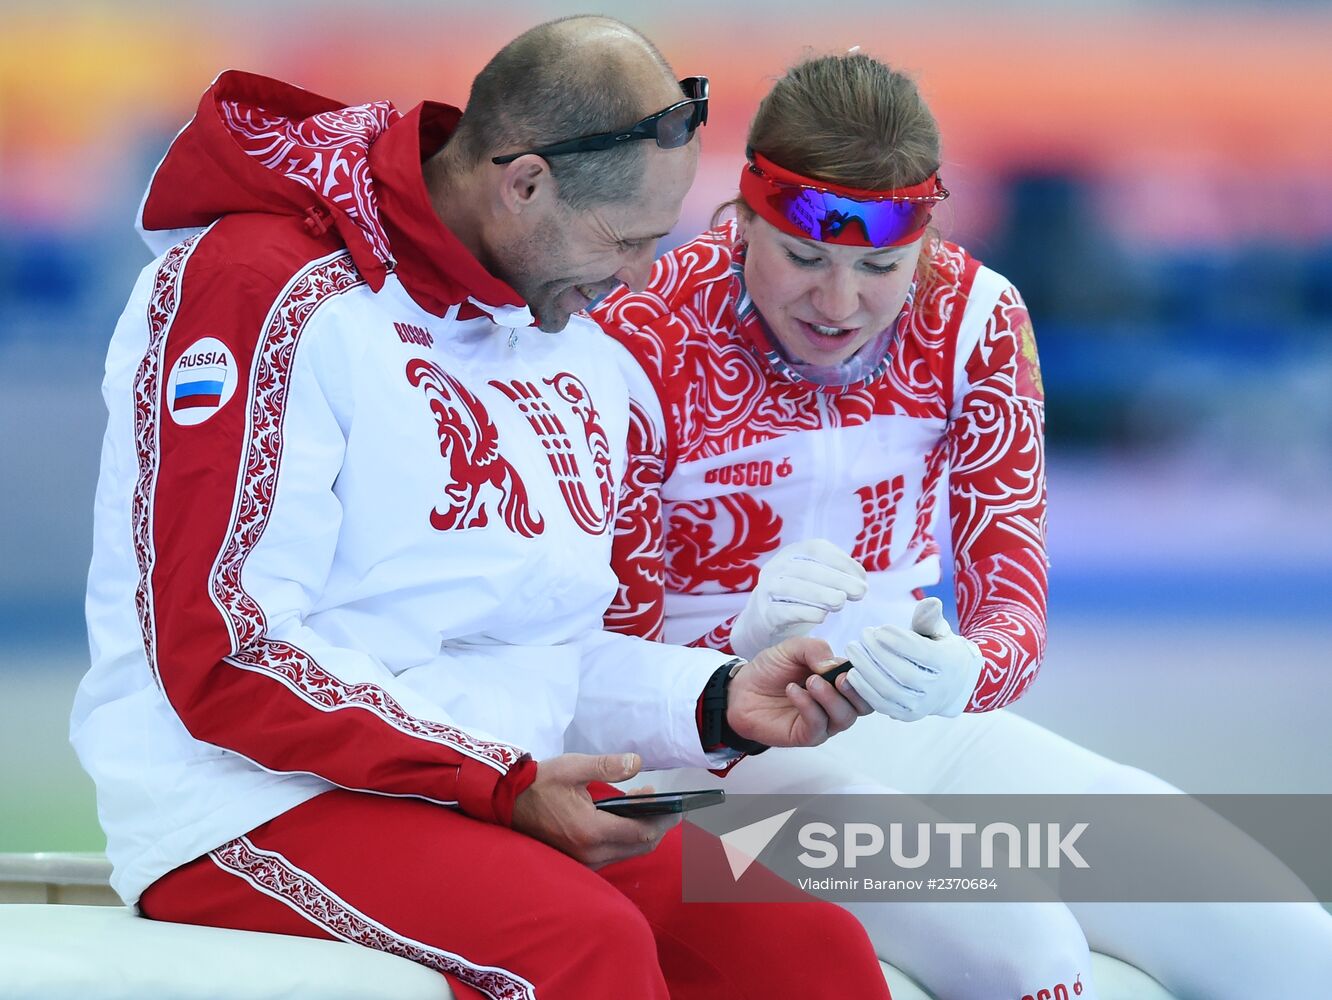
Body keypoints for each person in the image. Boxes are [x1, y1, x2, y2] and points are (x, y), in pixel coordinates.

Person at [70, 20, 894, 1000]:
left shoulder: (566, 337)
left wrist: (715, 699)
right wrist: (496, 779)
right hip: (248, 797)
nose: (638, 278)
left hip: (492, 788)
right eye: (624, 240)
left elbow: (545, 653)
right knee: (583, 948)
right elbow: (226, 649)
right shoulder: (262, 290)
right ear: (526, 183)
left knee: (802, 942)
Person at [595, 51, 1332, 999]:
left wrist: (971, 668)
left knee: (1280, 936)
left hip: (909, 723)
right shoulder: (643, 331)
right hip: (699, 763)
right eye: (804, 256)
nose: (839, 304)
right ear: (743, 219)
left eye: (880, 266)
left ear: (928, 242)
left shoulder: (974, 318)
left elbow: (1013, 593)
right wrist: (726, 659)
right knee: (1026, 951)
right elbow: (585, 648)